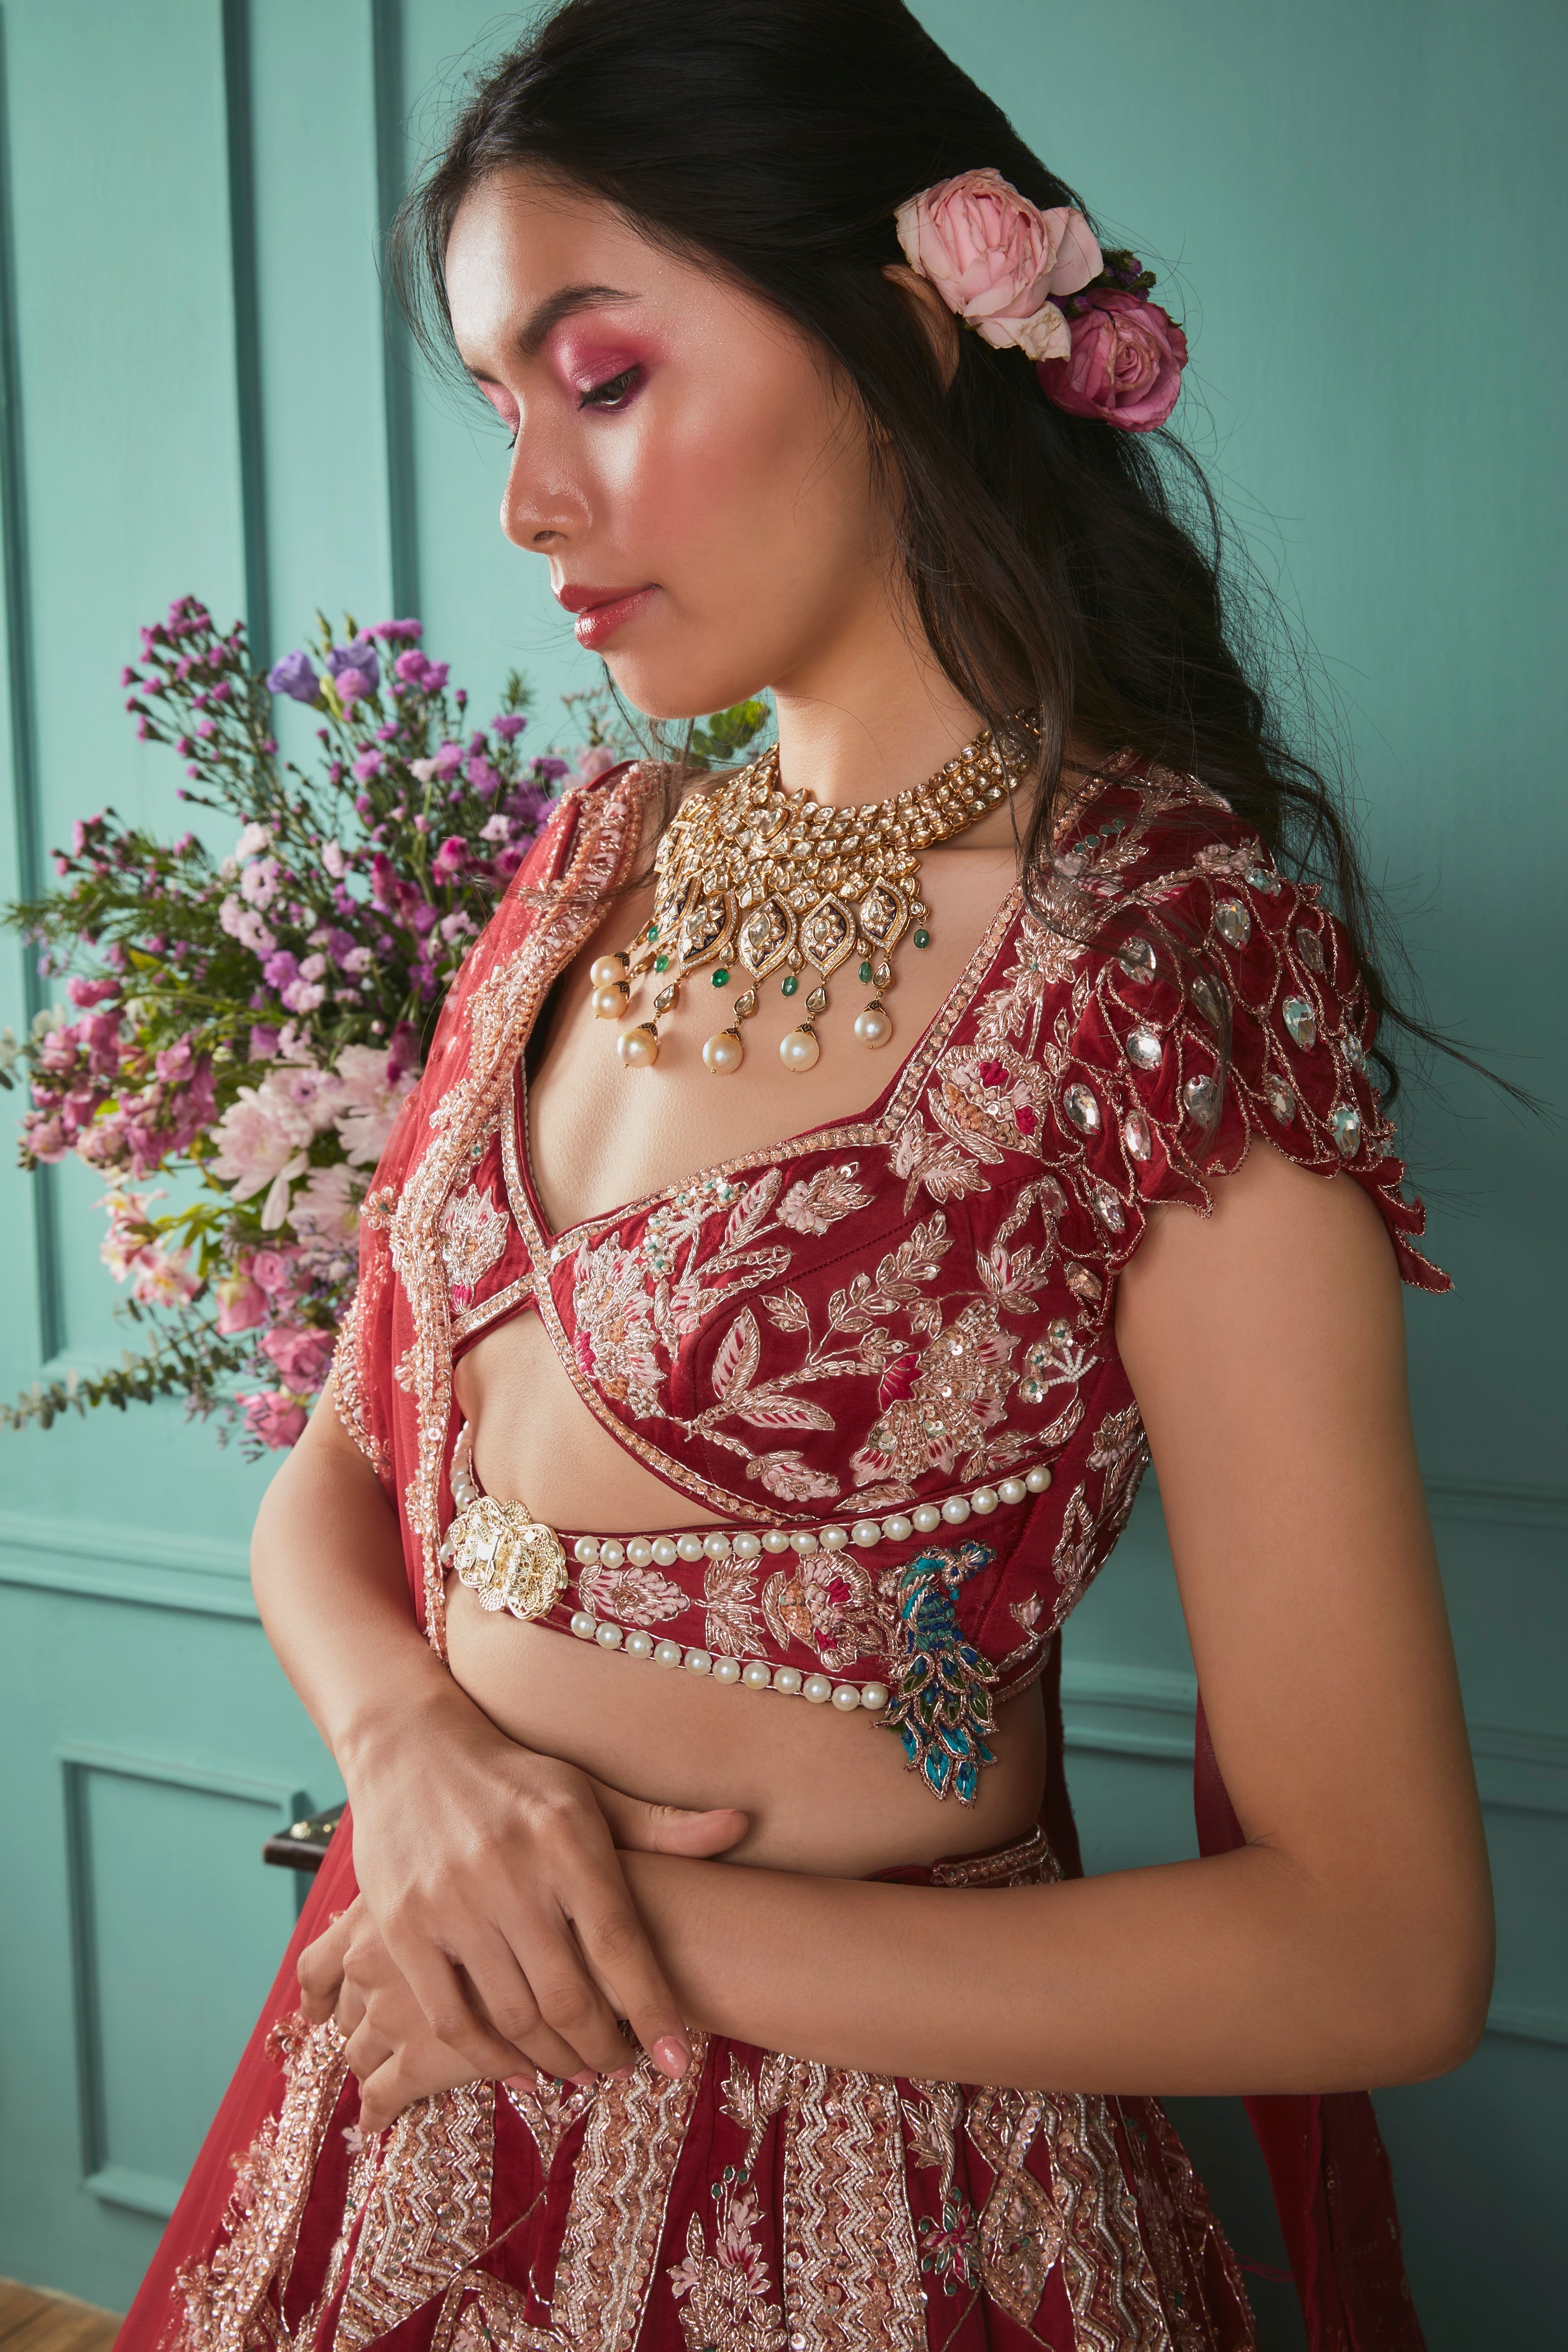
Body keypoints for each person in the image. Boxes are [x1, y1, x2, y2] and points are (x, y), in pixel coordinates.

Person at [119, 4, 1493, 2346]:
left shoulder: (1160, 963)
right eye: (498, 408)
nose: (526, 505)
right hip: (406, 2115)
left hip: (870, 2199)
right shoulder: (592, 866)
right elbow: (338, 1479)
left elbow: (1379, 1943)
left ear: (897, 330)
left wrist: (605, 1930)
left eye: (607, 380)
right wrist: (418, 1757)